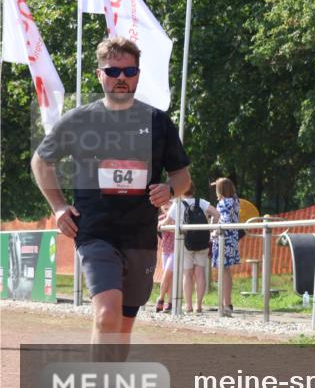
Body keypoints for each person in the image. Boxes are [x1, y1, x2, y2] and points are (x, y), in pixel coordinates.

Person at [31, 37, 191, 351]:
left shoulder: (158, 122)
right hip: (94, 232)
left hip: (141, 235)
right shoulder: (80, 120)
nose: (121, 77)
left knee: (122, 328)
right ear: (99, 74)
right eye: (113, 71)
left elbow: (182, 176)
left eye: (129, 71)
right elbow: (41, 161)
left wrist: (171, 189)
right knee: (107, 315)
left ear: (138, 75)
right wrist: (60, 206)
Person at [170, 181, 219, 313]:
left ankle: (189, 305)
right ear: (194, 190)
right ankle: (199, 305)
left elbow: (168, 220)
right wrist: (212, 229)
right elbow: (216, 214)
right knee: (200, 273)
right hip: (202, 241)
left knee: (187, 274)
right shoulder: (201, 202)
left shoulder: (177, 203)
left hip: (186, 242)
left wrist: (160, 223)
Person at [211, 177, 240, 317]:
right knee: (226, 271)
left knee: (223, 271)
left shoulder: (223, 203)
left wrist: (214, 232)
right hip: (232, 238)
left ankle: (226, 303)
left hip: (224, 239)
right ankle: (226, 302)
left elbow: (224, 221)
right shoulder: (235, 201)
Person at [154, 202, 176, 313]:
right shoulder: (161, 218)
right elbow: (158, 227)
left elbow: (176, 229)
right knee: (168, 278)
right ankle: (170, 302)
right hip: (165, 250)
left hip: (175, 250)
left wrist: (166, 226)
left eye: (170, 203)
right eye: (164, 205)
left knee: (167, 275)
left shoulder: (177, 217)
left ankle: (161, 298)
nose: (167, 205)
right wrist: (166, 226)